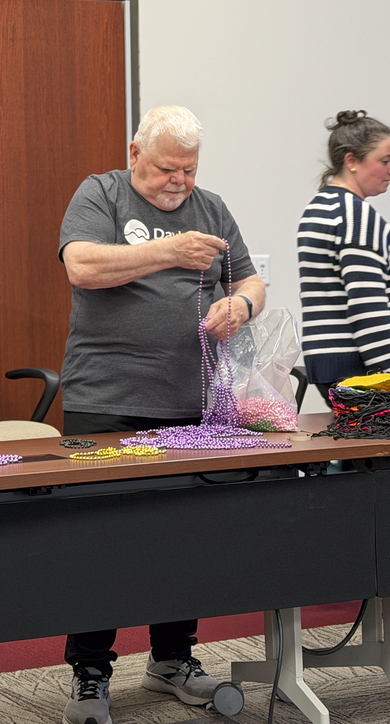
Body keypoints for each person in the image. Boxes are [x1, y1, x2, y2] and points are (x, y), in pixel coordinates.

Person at [59, 105, 265, 724]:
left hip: (192, 401)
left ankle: (173, 658)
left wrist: (242, 310)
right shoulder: (101, 194)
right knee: (101, 540)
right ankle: (91, 672)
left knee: (184, 535)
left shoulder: (213, 206)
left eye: (188, 170)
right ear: (133, 155)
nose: (178, 181)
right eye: (165, 170)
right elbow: (83, 266)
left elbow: (250, 280)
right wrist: (170, 251)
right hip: (107, 399)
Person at [298, 110, 390, 403]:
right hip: (361, 367)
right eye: (385, 161)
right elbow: (366, 305)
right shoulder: (357, 214)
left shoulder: (317, 208)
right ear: (351, 161)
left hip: (325, 364)